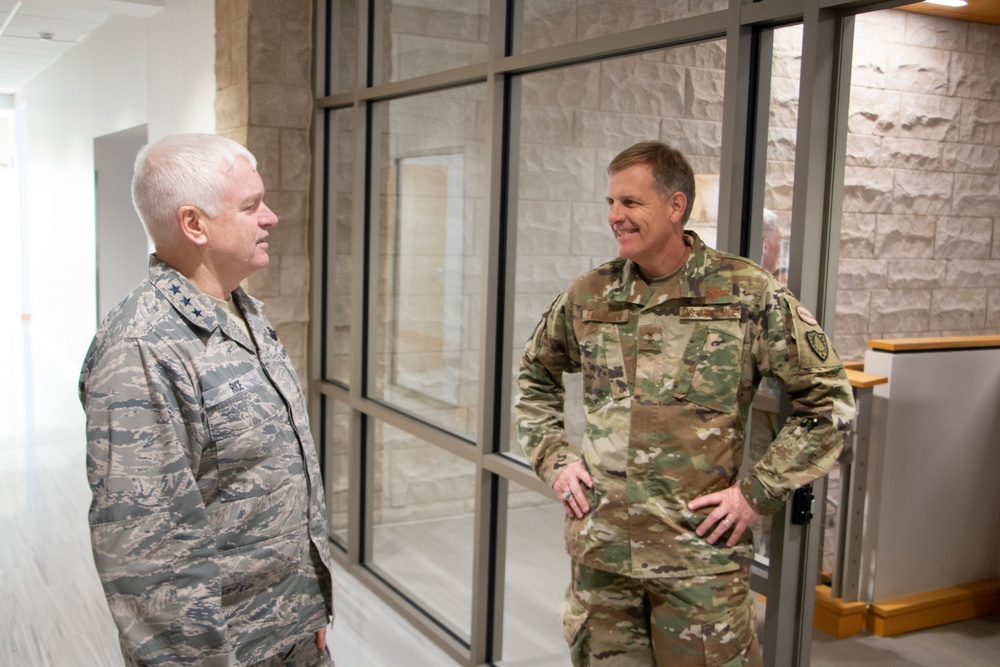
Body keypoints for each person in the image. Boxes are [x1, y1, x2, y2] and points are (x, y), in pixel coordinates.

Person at [514, 140, 855, 666]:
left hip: (699, 570)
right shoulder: (591, 295)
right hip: (603, 562)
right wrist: (555, 460)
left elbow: (829, 402)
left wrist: (755, 493)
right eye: (610, 203)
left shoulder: (746, 295)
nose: (615, 217)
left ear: (676, 206)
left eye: (630, 203)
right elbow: (534, 377)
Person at [79, 134, 335, 666]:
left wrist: (306, 612)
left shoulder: (242, 311)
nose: (271, 217)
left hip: (289, 633)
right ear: (194, 224)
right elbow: (149, 557)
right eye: (250, 206)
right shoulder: (143, 350)